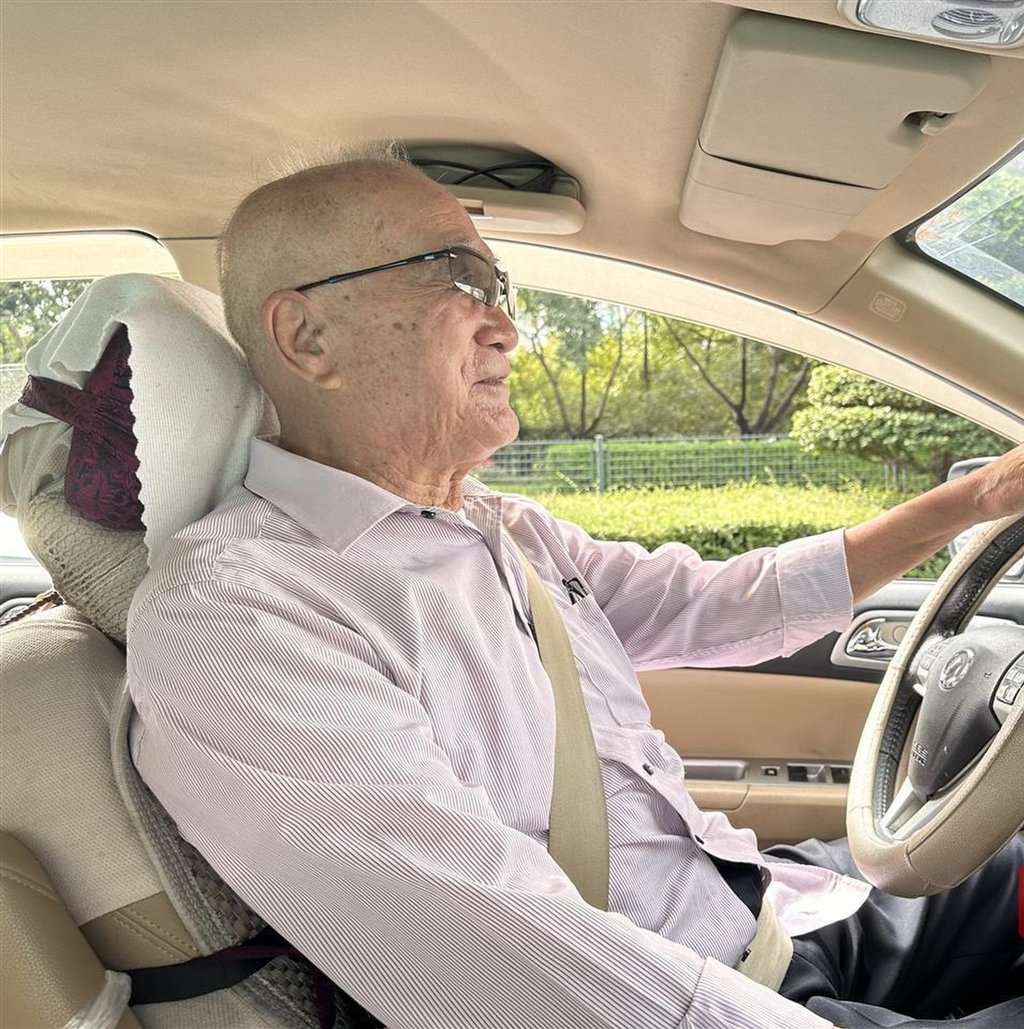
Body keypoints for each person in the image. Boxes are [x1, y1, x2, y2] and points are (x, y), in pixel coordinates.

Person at [127, 145, 1024, 1029]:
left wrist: (973, 501)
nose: (506, 325)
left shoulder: (502, 527)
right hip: (707, 993)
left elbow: (720, 602)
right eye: (456, 277)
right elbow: (499, 948)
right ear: (307, 338)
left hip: (777, 914)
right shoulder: (237, 615)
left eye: (500, 287)